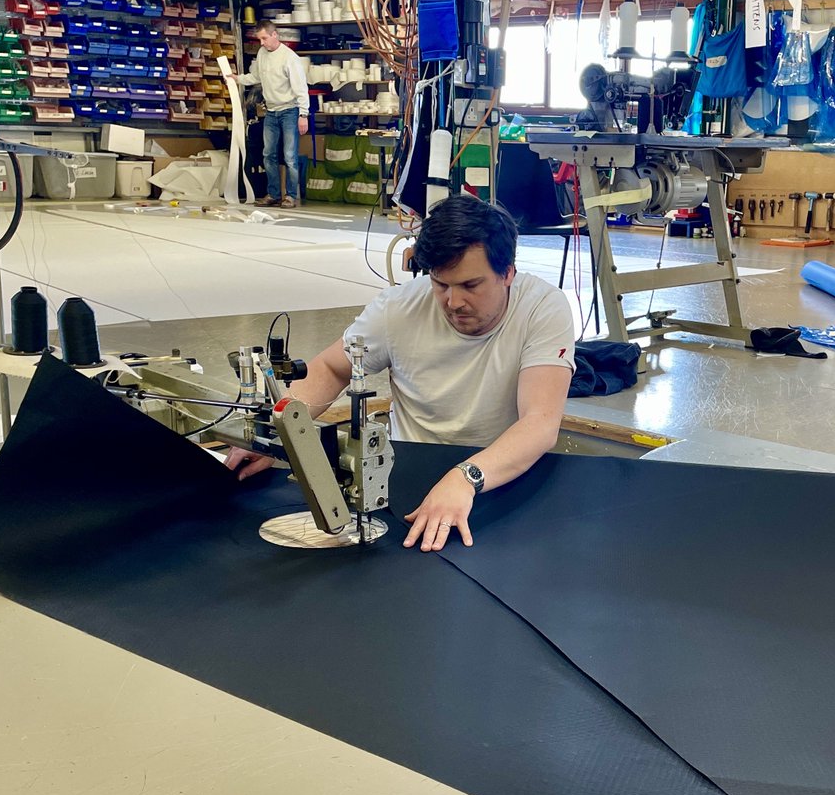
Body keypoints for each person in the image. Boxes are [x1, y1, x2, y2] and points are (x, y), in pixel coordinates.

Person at [228, 194, 576, 551]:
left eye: (470, 285)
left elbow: (540, 422)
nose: (453, 302)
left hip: (499, 474)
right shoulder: (399, 308)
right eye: (441, 284)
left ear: (507, 274)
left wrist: (465, 477)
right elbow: (332, 368)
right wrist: (277, 435)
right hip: (409, 471)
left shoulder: (542, 309)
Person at [228, 21, 309, 208]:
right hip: (271, 110)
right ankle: (273, 194)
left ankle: (290, 196)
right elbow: (256, 77)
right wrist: (237, 79)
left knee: (289, 156)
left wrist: (303, 114)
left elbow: (301, 89)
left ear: (275, 35)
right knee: (268, 154)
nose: (262, 43)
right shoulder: (262, 54)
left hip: (289, 109)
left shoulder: (290, 58)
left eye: (264, 38)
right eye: (259, 39)